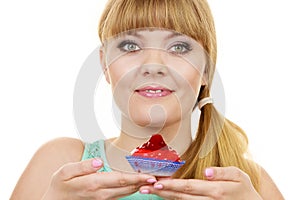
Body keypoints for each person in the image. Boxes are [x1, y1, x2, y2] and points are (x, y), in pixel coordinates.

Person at [11, 0, 284, 199]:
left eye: (179, 47)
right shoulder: (61, 164)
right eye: (131, 46)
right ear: (105, 65)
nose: (153, 64)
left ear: (206, 71)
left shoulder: (247, 183)